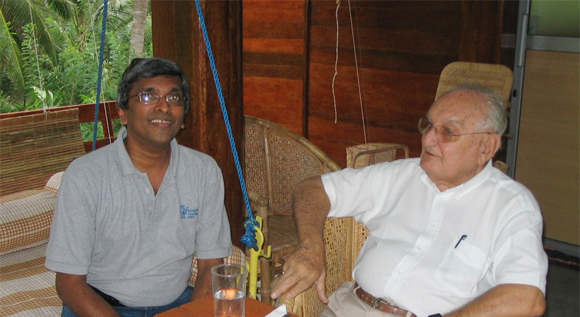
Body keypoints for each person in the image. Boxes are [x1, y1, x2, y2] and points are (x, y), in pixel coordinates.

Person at [271, 85, 548, 317]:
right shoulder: (401, 175)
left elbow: (527, 297)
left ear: (486, 147)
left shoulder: (511, 206)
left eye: (447, 132)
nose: (428, 139)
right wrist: (310, 247)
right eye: (428, 125)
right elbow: (313, 188)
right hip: (349, 308)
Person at [45, 57, 233, 317]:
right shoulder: (84, 176)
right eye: (148, 97)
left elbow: (211, 266)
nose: (164, 107)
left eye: (174, 98)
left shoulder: (204, 171)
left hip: (178, 305)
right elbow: (68, 284)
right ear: (122, 112)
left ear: (184, 117)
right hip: (101, 308)